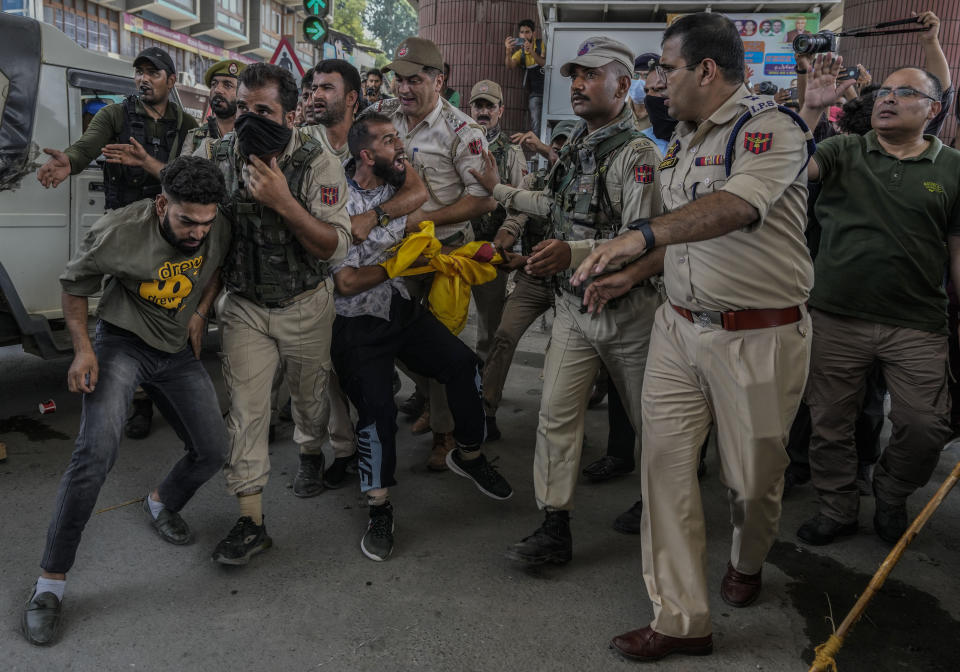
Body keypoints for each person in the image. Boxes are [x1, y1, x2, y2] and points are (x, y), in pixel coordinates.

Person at [571, 13, 815, 660]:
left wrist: (640, 236)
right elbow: (681, 232)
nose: (656, 81)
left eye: (666, 68)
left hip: (759, 338)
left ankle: (748, 556)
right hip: (676, 330)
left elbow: (732, 207)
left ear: (706, 70)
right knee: (666, 473)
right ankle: (680, 618)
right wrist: (633, 274)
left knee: (754, 481)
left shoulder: (770, 130)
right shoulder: (680, 141)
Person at [21, 156, 230, 646]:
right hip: (121, 344)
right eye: (186, 220)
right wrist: (83, 350)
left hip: (176, 350)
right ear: (162, 204)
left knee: (214, 449)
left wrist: (200, 311)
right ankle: (49, 584)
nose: (198, 232)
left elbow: (216, 265)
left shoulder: (216, 223)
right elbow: (73, 287)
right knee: (94, 456)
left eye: (206, 221)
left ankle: (162, 502)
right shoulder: (119, 231)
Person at [473, 36, 664, 567]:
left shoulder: (638, 154)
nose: (576, 83)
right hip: (573, 311)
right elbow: (553, 204)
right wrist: (502, 191)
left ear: (623, 85)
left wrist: (571, 251)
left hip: (628, 314)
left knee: (653, 423)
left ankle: (661, 507)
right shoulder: (579, 143)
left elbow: (642, 235)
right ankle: (554, 524)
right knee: (555, 416)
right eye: (573, 74)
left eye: (589, 74)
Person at [331, 113, 514, 561]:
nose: (403, 148)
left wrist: (385, 225)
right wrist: (394, 264)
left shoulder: (393, 187)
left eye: (399, 137)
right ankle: (379, 506)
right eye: (391, 141)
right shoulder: (335, 200)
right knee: (377, 412)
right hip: (355, 321)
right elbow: (347, 283)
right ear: (365, 155)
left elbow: (418, 190)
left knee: (463, 365)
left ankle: (468, 454)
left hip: (399, 305)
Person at [795, 54, 960, 546]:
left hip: (918, 323)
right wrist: (809, 112)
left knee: (925, 424)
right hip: (836, 316)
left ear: (933, 109)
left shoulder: (953, 169)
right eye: (885, 90)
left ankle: (890, 493)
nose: (888, 98)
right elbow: (787, 170)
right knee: (829, 423)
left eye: (905, 92)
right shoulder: (843, 149)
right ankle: (837, 506)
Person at [196, 63, 353, 566]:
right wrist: (200, 310)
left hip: (305, 303)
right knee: (247, 412)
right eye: (242, 108)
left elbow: (334, 249)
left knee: (310, 400)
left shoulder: (315, 162)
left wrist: (284, 201)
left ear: (289, 115)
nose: (247, 119)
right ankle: (250, 520)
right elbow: (209, 241)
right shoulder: (217, 156)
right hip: (244, 307)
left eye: (262, 111)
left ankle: (310, 452)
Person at [36, 46, 198, 442]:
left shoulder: (187, 125)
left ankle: (160, 391)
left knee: (166, 305)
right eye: (139, 72)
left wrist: (149, 165)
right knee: (121, 310)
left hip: (168, 230)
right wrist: (68, 163)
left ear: (171, 81)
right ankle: (133, 396)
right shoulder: (114, 115)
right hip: (125, 227)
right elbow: (86, 146)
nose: (143, 78)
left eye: (153, 73)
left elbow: (190, 176)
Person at [364, 36, 495, 469]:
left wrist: (426, 221)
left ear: (439, 81)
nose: (403, 88)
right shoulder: (386, 124)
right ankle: (433, 400)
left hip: (446, 256)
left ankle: (445, 433)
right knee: (390, 337)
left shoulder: (463, 131)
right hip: (398, 253)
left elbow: (482, 200)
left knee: (442, 345)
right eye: (398, 79)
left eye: (414, 80)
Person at [480, 120, 575, 441]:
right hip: (533, 277)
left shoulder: (588, 183)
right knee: (504, 334)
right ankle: (486, 410)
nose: (559, 153)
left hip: (573, 283)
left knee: (580, 354)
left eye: (565, 146)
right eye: (556, 146)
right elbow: (515, 217)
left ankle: (573, 418)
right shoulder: (536, 180)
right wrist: (500, 246)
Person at [467, 80, 526, 364]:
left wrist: (506, 238)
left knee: (489, 325)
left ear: (500, 111)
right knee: (440, 316)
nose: (483, 112)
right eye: (478, 105)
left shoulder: (512, 151)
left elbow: (521, 201)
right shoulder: (458, 144)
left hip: (491, 247)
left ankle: (483, 386)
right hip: (455, 244)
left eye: (489, 106)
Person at [180, 59, 246, 156]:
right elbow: (182, 169)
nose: (217, 90)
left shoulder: (250, 135)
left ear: (242, 93)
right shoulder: (195, 137)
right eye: (214, 84)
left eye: (227, 85)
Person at [505, 19, 547, 135]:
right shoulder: (520, 53)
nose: (524, 35)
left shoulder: (540, 44)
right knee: (535, 122)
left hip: (549, 91)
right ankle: (539, 149)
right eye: (522, 32)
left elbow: (544, 63)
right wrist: (508, 52)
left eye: (527, 32)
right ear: (519, 34)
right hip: (535, 93)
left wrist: (532, 52)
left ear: (533, 33)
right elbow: (510, 66)